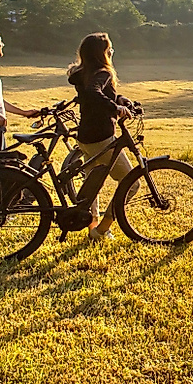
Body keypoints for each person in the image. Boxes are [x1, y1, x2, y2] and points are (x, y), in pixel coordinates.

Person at [67, 32, 137, 242]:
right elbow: (93, 92)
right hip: (101, 137)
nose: (112, 52)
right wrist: (115, 108)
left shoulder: (84, 72)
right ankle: (102, 229)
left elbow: (100, 93)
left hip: (84, 137)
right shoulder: (103, 72)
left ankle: (92, 226)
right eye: (109, 49)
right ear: (102, 53)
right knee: (131, 183)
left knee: (92, 185)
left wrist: (121, 101)